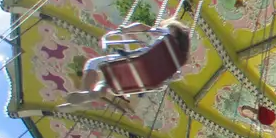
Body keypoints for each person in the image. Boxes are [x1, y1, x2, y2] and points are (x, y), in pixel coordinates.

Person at [62, 17, 192, 106]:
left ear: (174, 29)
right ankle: (97, 92)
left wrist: (126, 29)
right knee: (109, 80)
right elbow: (176, 76)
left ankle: (86, 92)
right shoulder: (178, 58)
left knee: (93, 63)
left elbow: (141, 26)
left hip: (140, 62)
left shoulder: (166, 33)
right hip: (151, 81)